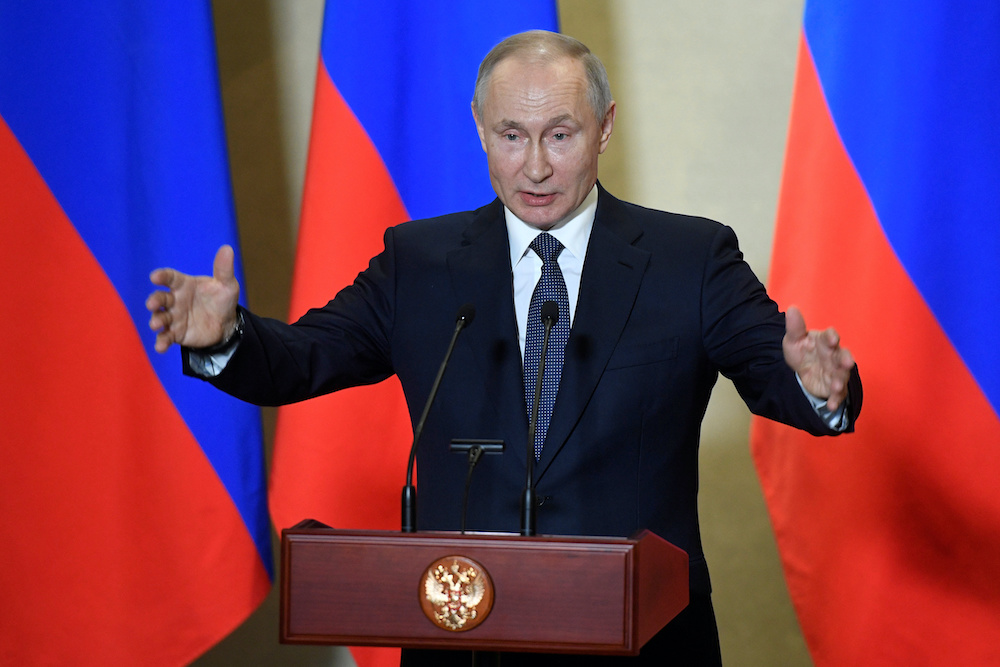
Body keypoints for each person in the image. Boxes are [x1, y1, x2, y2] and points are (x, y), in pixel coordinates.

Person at [147, 30, 860, 666]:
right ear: (480, 131)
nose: (536, 167)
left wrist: (817, 386)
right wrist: (229, 336)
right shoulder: (419, 261)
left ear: (604, 128)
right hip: (466, 639)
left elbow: (776, 368)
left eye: (560, 134)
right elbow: (305, 356)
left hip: (643, 641)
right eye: (512, 136)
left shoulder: (690, 258)